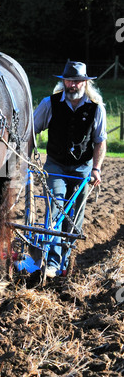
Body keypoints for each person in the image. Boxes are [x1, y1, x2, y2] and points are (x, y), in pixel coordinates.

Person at [33, 61, 107, 277]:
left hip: (82, 169)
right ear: (63, 81)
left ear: (85, 83)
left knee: (73, 220)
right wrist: (27, 159)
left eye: (77, 81)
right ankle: (54, 263)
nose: (72, 85)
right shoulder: (50, 103)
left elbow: (100, 141)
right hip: (55, 165)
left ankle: (65, 261)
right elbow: (32, 130)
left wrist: (96, 169)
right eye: (69, 80)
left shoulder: (96, 108)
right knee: (55, 210)